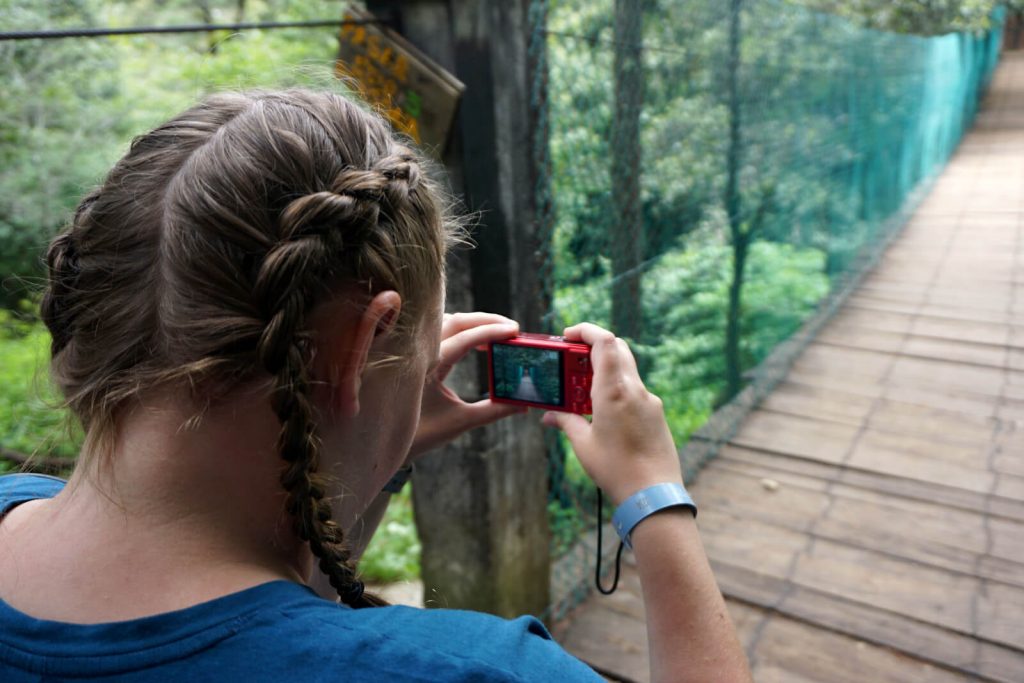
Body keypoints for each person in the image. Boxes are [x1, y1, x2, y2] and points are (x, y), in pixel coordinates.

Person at [0, 90, 752, 682]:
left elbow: (274, 613)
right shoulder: (472, 673)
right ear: (365, 342)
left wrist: (374, 447)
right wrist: (655, 497)